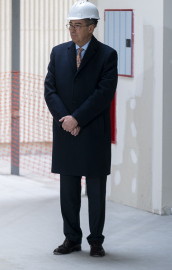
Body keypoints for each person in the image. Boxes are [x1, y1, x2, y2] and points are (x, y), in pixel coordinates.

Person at [44, 1, 118, 257]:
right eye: (70, 25)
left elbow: (103, 94)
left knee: (96, 191)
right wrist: (66, 119)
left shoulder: (107, 55)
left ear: (92, 27)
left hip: (92, 132)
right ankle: (71, 238)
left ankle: (96, 241)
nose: (72, 30)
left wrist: (78, 119)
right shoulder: (58, 52)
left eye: (77, 25)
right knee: (68, 192)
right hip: (66, 131)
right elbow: (50, 90)